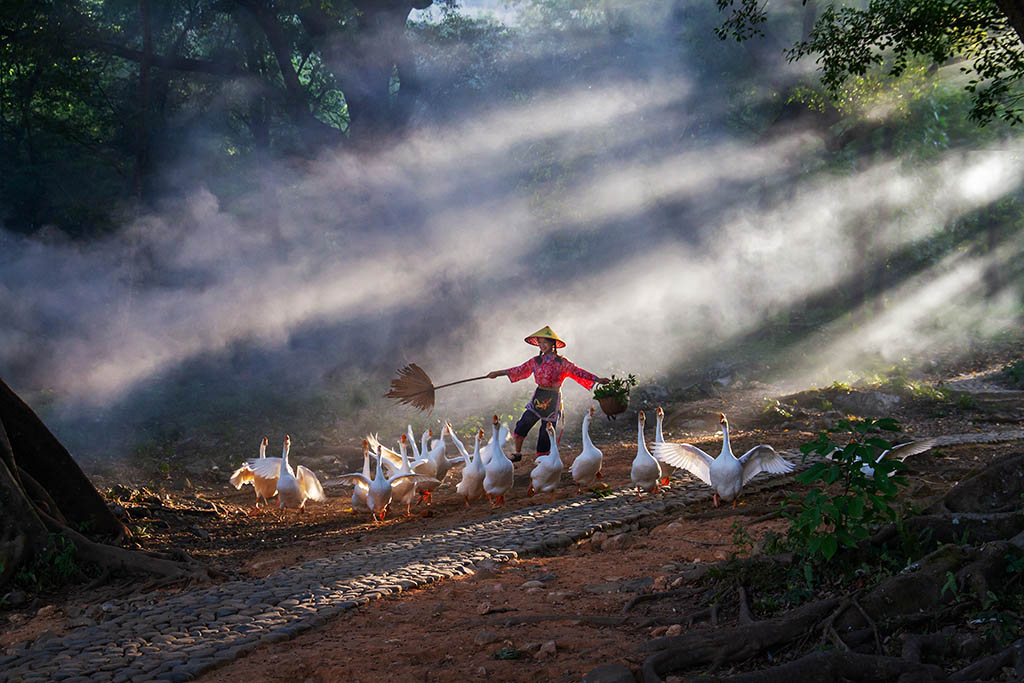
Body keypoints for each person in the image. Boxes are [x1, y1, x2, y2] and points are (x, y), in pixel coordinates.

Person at [487, 326, 610, 461]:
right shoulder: (535, 361)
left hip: (553, 398)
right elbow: (519, 370)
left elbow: (578, 372)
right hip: (539, 396)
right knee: (523, 423)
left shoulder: (562, 362)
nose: (542, 345)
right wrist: (498, 373)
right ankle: (517, 453)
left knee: (546, 431)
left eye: (545, 342)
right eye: (540, 342)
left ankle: (543, 461)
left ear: (552, 344)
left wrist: (597, 379)